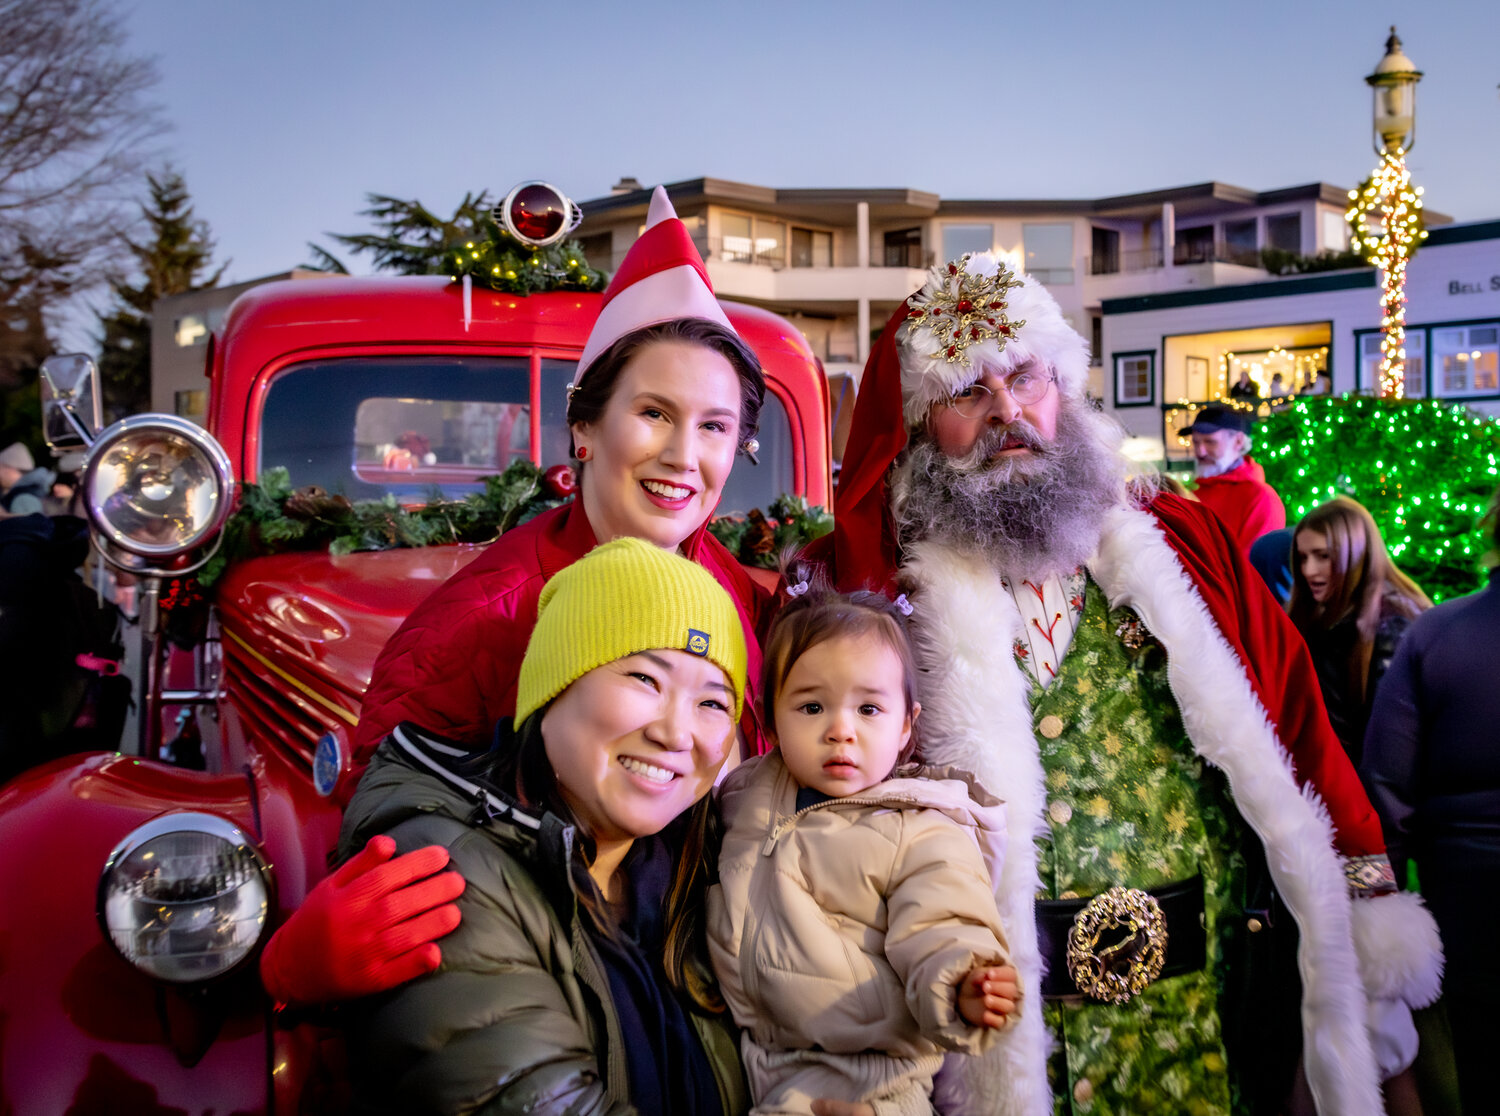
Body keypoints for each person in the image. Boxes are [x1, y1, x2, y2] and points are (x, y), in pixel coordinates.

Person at [822, 250, 1441, 1114]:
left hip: (1205, 1028)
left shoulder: (1180, 544)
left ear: (1063, 386)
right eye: (969, 392)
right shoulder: (871, 590)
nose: (1009, 413)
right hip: (987, 1038)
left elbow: (1294, 712)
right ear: (924, 423)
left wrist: (1360, 926)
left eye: (1026, 377)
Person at [257, 185, 776, 1008]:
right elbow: (396, 852)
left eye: (714, 426)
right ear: (586, 429)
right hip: (556, 990)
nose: (685, 455)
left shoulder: (747, 598)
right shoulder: (478, 620)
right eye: (653, 413)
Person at [339, 538, 752, 1114]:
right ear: (553, 688)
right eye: (644, 679)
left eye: (712, 703)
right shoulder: (445, 871)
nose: (677, 734)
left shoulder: (698, 871)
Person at [708, 576, 1020, 1115]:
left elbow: (941, 922)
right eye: (811, 708)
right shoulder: (745, 795)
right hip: (753, 1065)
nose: (840, 731)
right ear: (772, 713)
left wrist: (964, 982)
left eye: (869, 710)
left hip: (873, 1080)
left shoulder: (921, 828)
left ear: (906, 726)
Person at [1361, 487, 1500, 1116]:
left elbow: (1387, 785)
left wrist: (1378, 901)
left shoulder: (1437, 634)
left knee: (1476, 1053)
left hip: (1466, 894)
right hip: (1462, 880)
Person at [1289, 497, 1430, 763]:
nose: (1308, 570)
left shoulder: (1393, 626)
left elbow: (1393, 742)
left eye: (1323, 556)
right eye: (1303, 557)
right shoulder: (1324, 617)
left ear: (1355, 554)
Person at [1179, 403, 1287, 553]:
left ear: (1238, 441)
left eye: (1210, 442)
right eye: (1196, 442)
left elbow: (1251, 569)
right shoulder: (1189, 493)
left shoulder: (1260, 498)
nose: (1200, 452)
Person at [0, 442, 50, 517]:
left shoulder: (22, 498)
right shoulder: (31, 491)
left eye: (1, 468)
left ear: (11, 469)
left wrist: (3, 516)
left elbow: (32, 525)